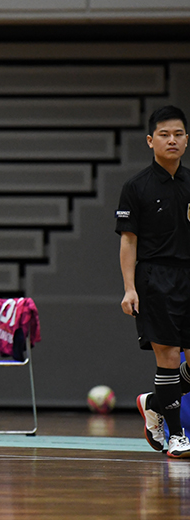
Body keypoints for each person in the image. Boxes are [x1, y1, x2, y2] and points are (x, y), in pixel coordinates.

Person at [118, 105, 190, 459]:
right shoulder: (136, 187)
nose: (171, 140)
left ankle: (154, 403)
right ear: (150, 140)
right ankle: (177, 437)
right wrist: (130, 288)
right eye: (164, 134)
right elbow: (128, 241)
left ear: (187, 139)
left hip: (188, 275)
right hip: (155, 279)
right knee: (169, 356)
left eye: (178, 134)